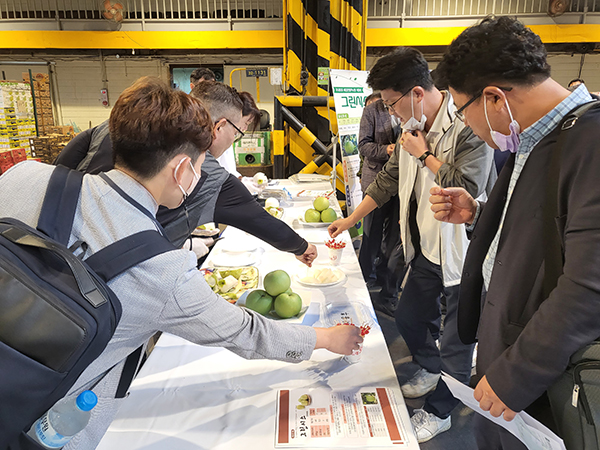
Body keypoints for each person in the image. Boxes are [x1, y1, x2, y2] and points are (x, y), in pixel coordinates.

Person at [0, 77, 363, 449]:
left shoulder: (22, 175)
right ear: (181, 170)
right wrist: (326, 338)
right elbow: (244, 332)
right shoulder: (164, 270)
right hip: (44, 422)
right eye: (202, 161)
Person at [430, 16, 600, 449]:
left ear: (493, 98)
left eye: (463, 111)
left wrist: (516, 373)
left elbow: (589, 285)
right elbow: (548, 225)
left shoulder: (591, 141)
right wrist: (478, 214)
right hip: (508, 342)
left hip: (548, 370)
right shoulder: (543, 137)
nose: (468, 125)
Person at [328, 47, 496, 443]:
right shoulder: (410, 132)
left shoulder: (468, 127)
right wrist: (351, 219)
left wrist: (425, 156)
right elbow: (386, 180)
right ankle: (429, 364)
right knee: (407, 318)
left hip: (463, 257)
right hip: (425, 249)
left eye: (392, 104)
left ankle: (441, 412)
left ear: (417, 93)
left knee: (458, 343)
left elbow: (467, 187)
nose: (391, 114)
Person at [53, 82, 317, 266]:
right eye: (237, 133)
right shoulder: (206, 172)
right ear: (220, 126)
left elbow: (59, 172)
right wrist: (301, 247)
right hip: (119, 275)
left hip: (57, 249)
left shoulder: (112, 127)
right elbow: (256, 218)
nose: (233, 141)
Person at [357, 92, 404, 317]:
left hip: (402, 184)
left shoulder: (410, 114)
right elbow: (363, 146)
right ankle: (364, 280)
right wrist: (387, 150)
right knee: (370, 235)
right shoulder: (371, 111)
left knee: (394, 239)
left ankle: (387, 290)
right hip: (377, 179)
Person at [215, 91, 261, 178]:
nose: (245, 128)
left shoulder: (229, 136)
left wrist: (243, 181)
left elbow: (230, 171)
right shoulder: (221, 138)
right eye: (246, 123)